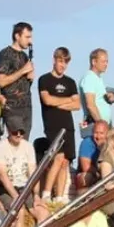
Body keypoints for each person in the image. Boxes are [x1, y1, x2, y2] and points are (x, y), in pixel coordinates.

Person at [37, 47, 79, 203]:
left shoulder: (70, 82)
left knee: (65, 161)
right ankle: (47, 194)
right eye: (60, 61)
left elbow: (77, 104)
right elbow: (47, 100)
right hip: (52, 125)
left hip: (68, 124)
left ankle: (60, 197)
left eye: (65, 62)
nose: (63, 65)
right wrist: (67, 100)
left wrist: (58, 103)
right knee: (58, 157)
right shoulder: (44, 79)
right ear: (54, 60)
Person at [0, 22, 34, 136]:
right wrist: (23, 70)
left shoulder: (25, 56)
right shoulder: (5, 54)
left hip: (26, 107)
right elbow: (2, 81)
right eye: (27, 37)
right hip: (12, 107)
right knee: (16, 140)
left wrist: (30, 78)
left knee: (24, 143)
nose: (30, 41)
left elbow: (24, 83)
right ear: (17, 36)